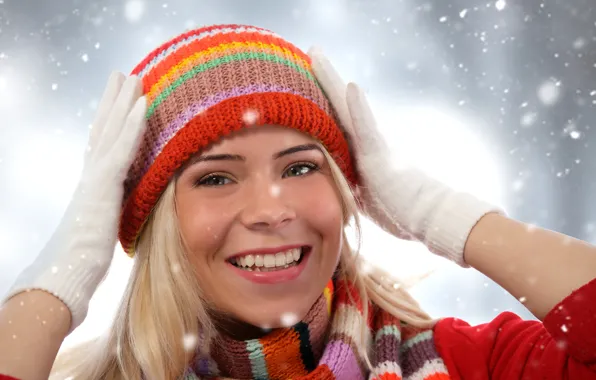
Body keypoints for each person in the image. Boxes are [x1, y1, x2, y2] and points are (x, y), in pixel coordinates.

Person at [0, 23, 595, 380]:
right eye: (215, 178)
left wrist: (443, 216)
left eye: (301, 167)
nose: (271, 207)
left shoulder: (470, 365)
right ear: (155, 223)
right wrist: (61, 277)